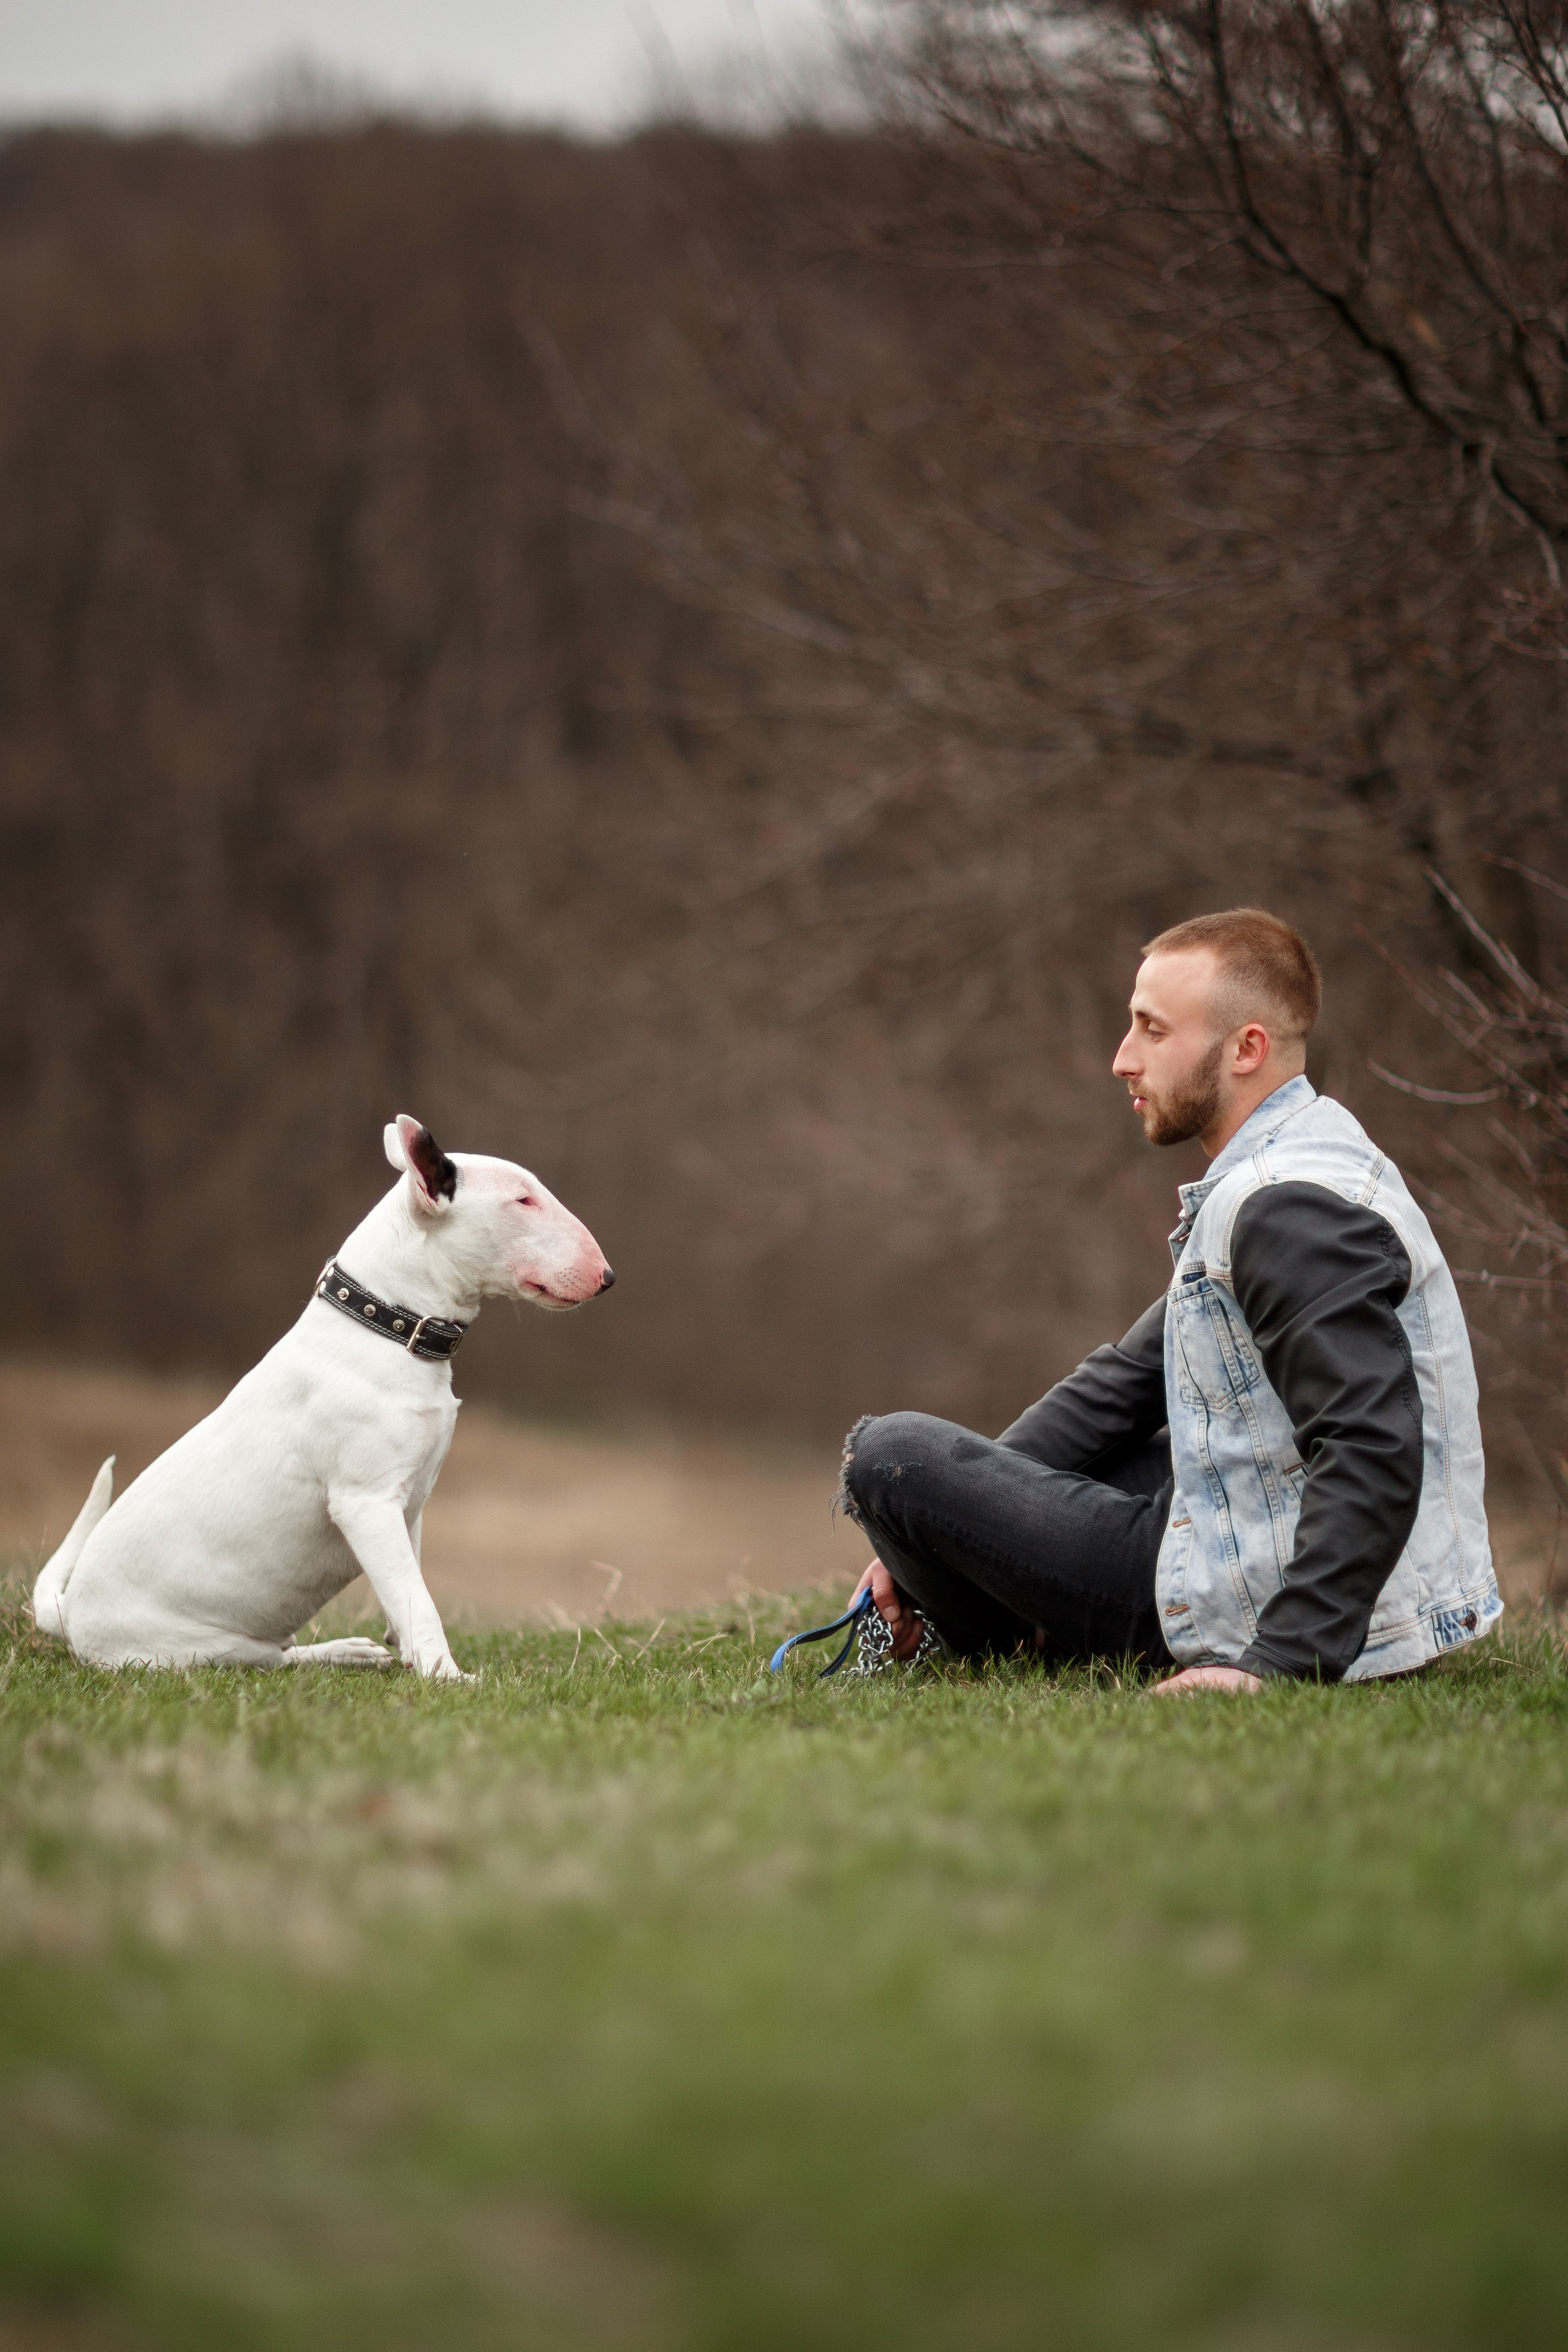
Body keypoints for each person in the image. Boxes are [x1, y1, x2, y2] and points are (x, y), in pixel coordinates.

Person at [839, 908, 1501, 1692]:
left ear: (1246, 1048)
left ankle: (999, 1626)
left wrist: (1283, 1664)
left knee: (892, 1456)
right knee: (1080, 1453)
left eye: (1152, 1031)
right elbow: (1122, 1384)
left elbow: (1371, 1444)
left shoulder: (1289, 1210)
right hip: (1253, 1537)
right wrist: (945, 1534)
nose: (1122, 1059)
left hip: (1268, 1601)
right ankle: (959, 1598)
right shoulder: (1293, 1164)